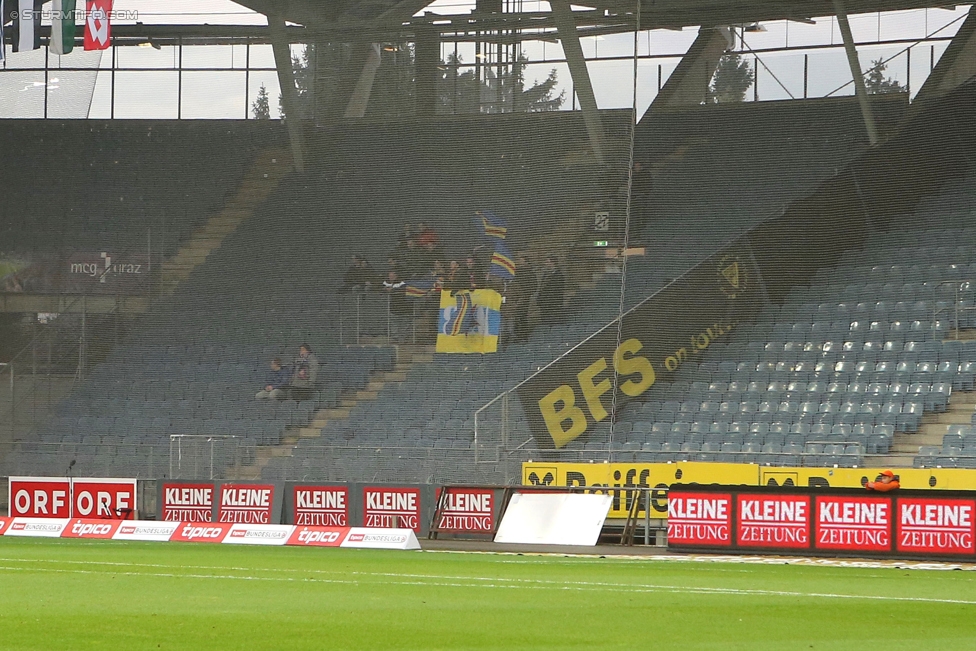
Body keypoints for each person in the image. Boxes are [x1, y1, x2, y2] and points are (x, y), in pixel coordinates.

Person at [537, 255, 565, 322]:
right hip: (544, 302)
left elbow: (557, 290)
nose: (545, 264)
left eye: (547, 262)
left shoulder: (559, 275)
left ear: (553, 263)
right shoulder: (545, 274)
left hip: (553, 303)